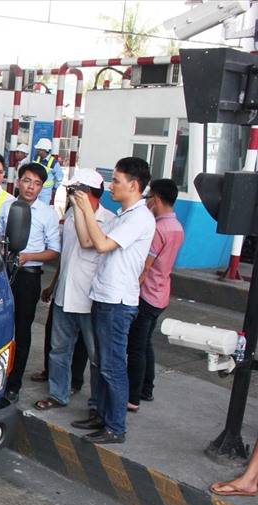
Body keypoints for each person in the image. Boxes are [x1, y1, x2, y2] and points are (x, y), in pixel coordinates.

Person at [70, 157, 155, 444]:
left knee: (112, 366)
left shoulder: (139, 218)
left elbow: (103, 245)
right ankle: (103, 417)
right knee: (104, 363)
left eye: (116, 180)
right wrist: (80, 210)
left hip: (118, 303)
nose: (111, 186)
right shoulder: (122, 215)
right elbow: (87, 241)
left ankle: (115, 427)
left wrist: (86, 209)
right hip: (104, 297)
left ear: (133, 185)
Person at [33, 169, 115, 412]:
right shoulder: (70, 215)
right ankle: (58, 393)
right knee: (58, 350)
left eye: (74, 190)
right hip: (64, 295)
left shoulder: (109, 220)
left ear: (87, 192)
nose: (69, 194)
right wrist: (54, 284)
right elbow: (67, 255)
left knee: (96, 356)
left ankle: (98, 405)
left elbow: (88, 244)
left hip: (90, 299)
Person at [0, 162, 60, 402]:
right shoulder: (7, 207)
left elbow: (54, 251)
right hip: (5, 274)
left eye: (37, 183)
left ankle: (14, 383)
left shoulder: (48, 214)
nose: (31, 187)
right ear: (18, 181)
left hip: (29, 277)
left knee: (22, 330)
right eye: (27, 180)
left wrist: (29, 257)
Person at [126, 178, 184, 411]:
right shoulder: (177, 226)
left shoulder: (158, 228)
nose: (147, 201)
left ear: (156, 199)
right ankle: (147, 388)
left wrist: (131, 287)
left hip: (147, 294)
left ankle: (133, 398)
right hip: (162, 295)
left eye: (148, 197)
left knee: (136, 348)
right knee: (146, 343)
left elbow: (146, 266)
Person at [32, 138, 64, 206]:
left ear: (42, 150)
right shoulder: (36, 158)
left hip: (45, 192)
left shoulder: (54, 163)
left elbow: (59, 176)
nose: (36, 150)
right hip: (35, 188)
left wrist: (55, 188)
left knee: (43, 210)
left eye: (38, 149)